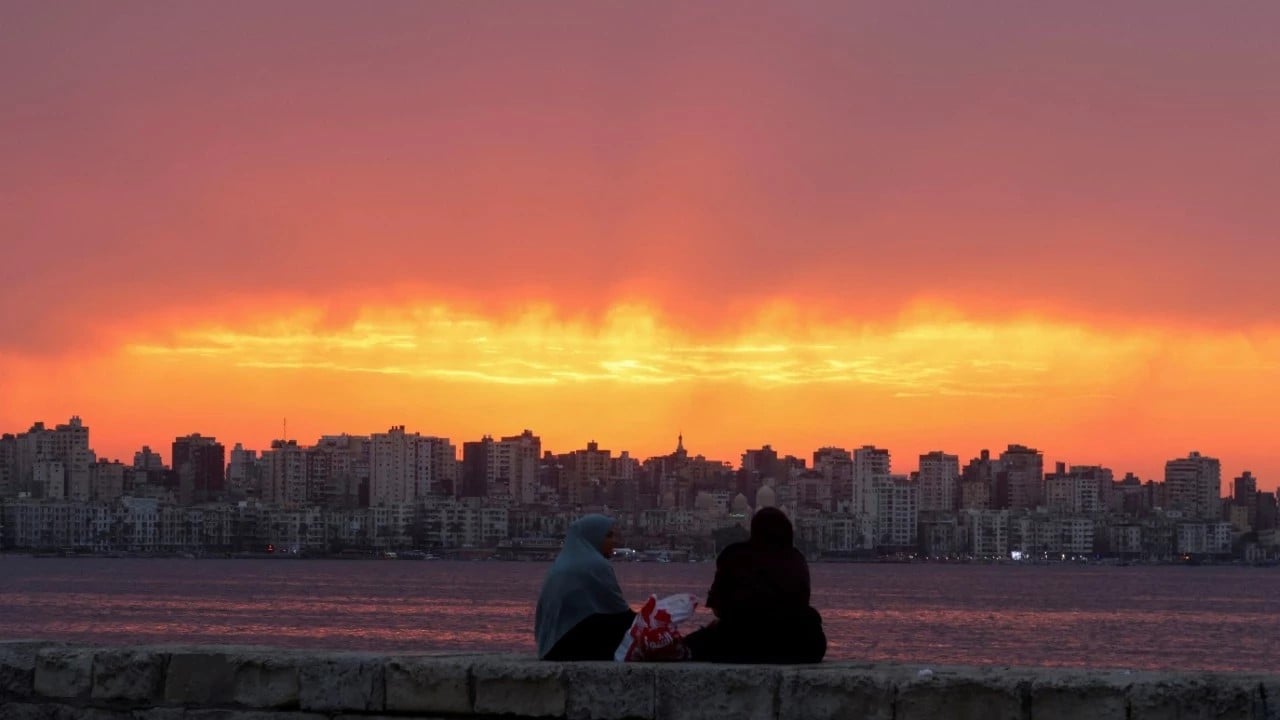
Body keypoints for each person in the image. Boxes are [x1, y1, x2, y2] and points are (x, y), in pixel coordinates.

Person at [684, 507, 826, 663]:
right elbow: (801, 602)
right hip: (798, 646)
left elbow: (718, 609)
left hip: (743, 643)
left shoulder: (734, 555)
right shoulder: (797, 560)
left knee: (698, 640)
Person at [535, 514, 636, 661]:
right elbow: (620, 612)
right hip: (568, 649)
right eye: (608, 536)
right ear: (593, 537)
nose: (613, 541)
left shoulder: (563, 562)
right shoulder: (596, 565)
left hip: (550, 648)